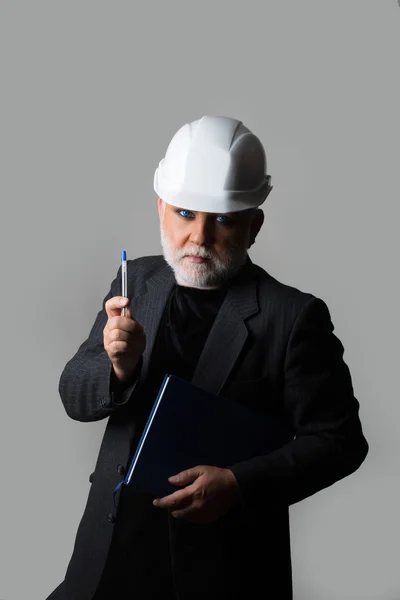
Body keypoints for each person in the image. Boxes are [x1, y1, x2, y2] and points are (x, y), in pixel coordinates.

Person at [45, 115, 369, 600]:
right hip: (106, 558)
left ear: (253, 224)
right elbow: (75, 396)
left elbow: (341, 442)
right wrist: (117, 368)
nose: (199, 237)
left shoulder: (293, 317)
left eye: (222, 219)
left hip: (222, 571)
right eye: (184, 214)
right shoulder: (136, 281)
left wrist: (239, 484)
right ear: (161, 210)